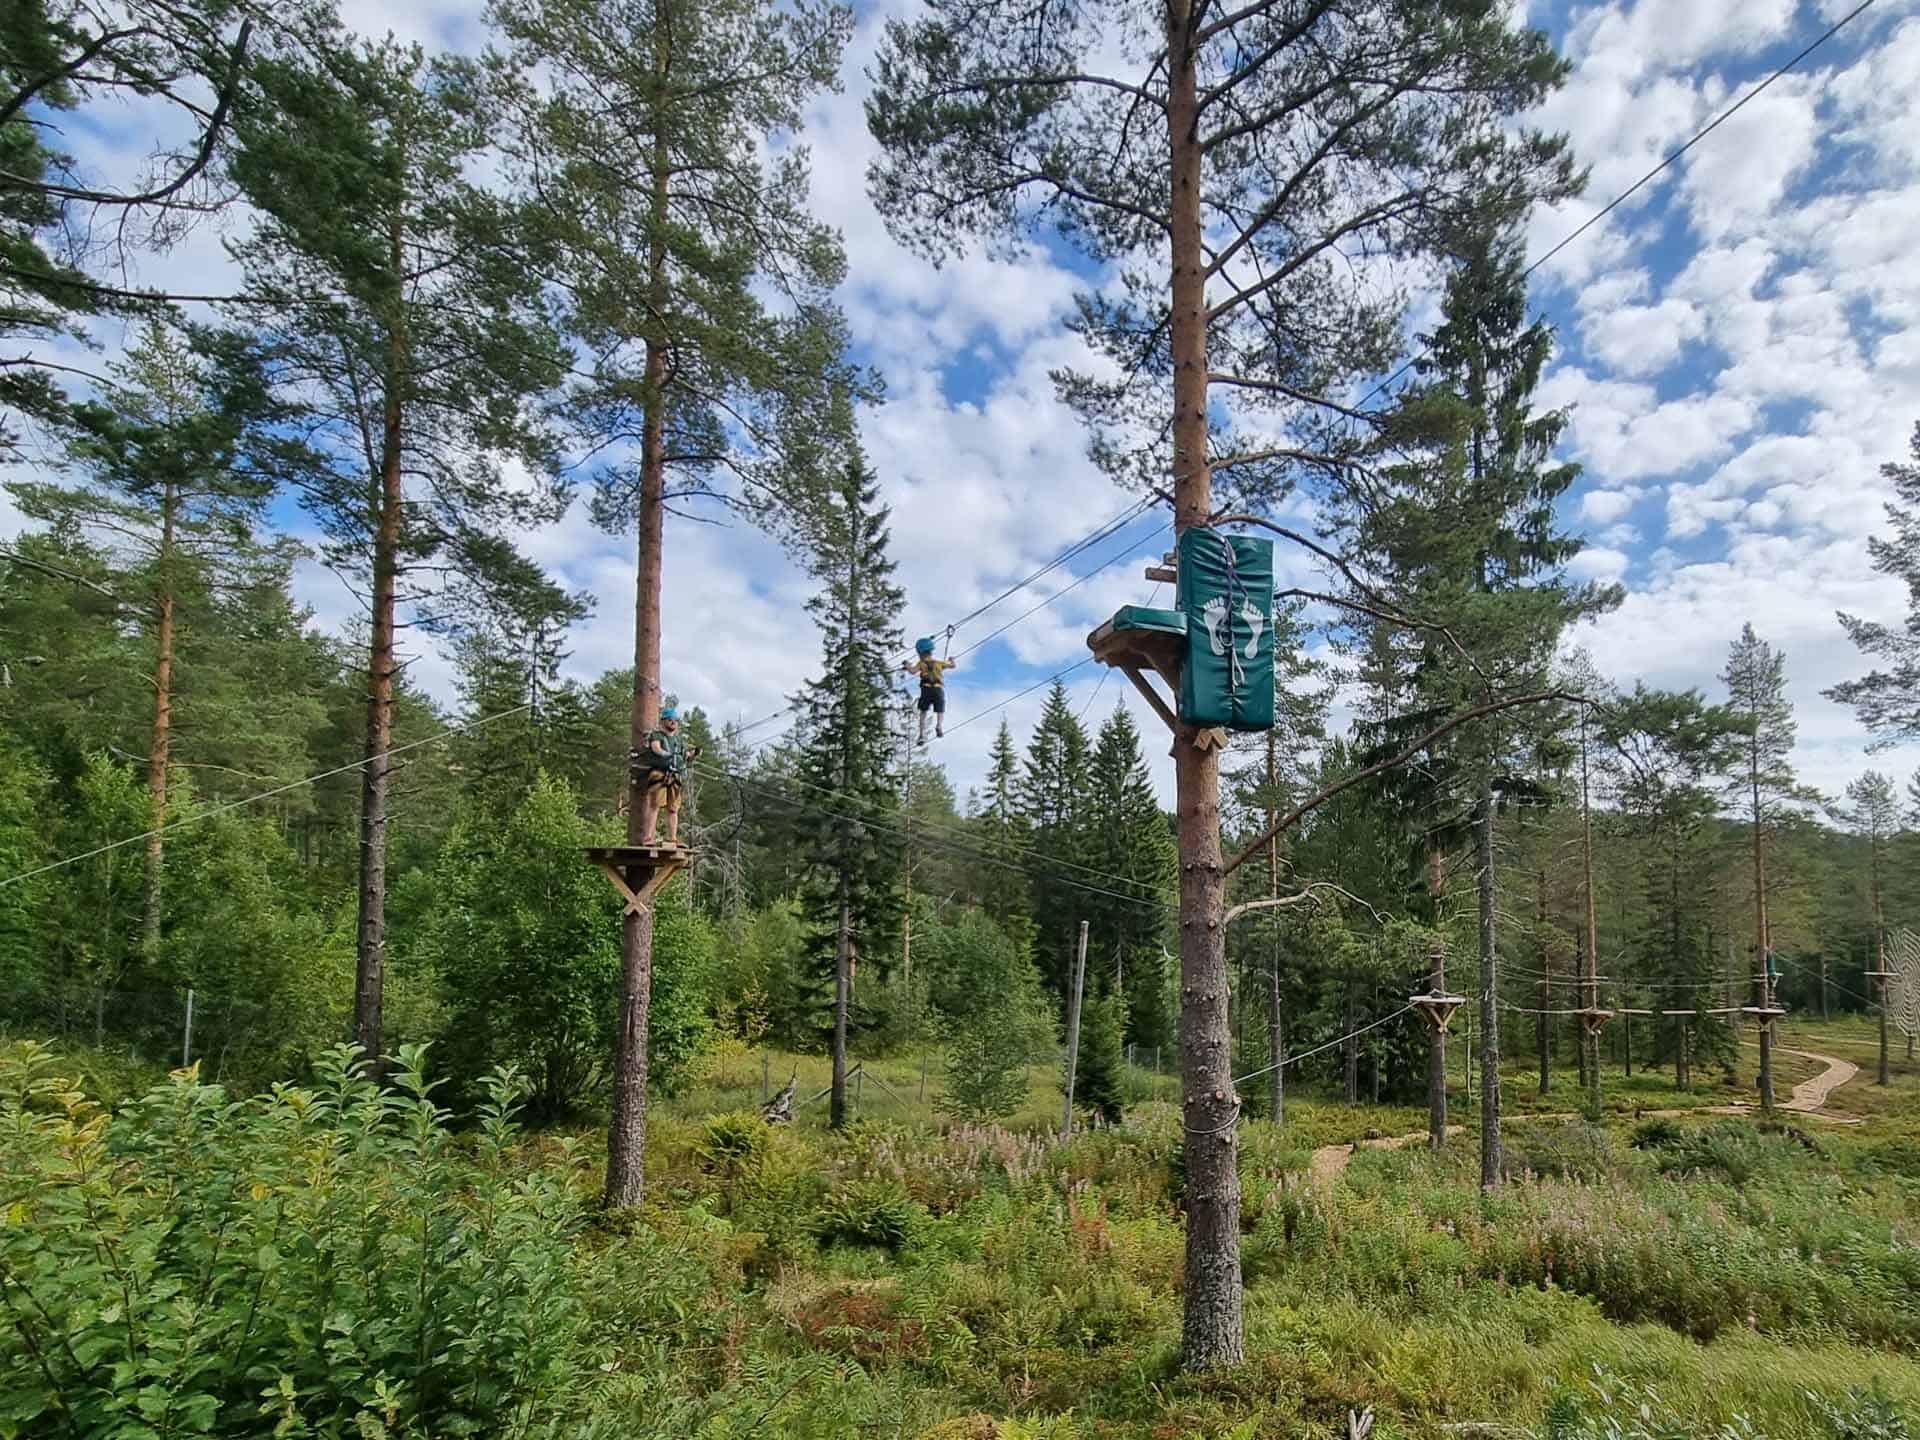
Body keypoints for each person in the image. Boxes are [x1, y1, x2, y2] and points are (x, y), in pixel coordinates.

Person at [632, 704, 701, 845]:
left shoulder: (678, 741)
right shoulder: (657, 735)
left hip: (675, 777)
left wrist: (694, 754)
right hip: (660, 775)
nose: (673, 722)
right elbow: (655, 748)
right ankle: (648, 838)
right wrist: (665, 753)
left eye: (675, 720)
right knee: (655, 805)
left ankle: (672, 838)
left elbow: (685, 757)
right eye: (670, 719)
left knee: (673, 809)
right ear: (663, 720)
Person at [902, 637, 955, 742]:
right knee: (940, 710)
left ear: (920, 653)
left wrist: (907, 665)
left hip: (926, 690)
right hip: (938, 690)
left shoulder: (921, 664)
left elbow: (912, 671)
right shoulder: (938, 663)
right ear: (931, 651)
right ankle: (939, 726)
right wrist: (951, 660)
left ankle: (922, 735)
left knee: (923, 712)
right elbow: (953, 666)